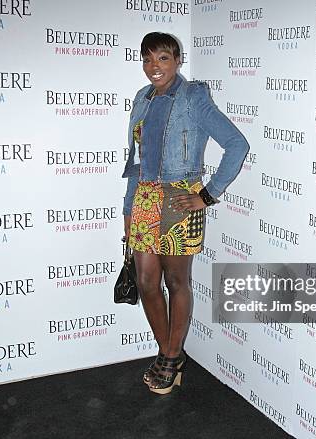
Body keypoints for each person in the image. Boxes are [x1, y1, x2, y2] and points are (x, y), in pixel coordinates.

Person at [122, 32, 250, 394]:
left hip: (180, 199)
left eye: (162, 58)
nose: (154, 67)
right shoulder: (141, 99)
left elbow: (236, 144)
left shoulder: (193, 96)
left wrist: (206, 196)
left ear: (178, 60)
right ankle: (170, 355)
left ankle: (170, 355)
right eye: (147, 59)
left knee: (177, 282)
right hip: (144, 199)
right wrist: (128, 212)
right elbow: (135, 162)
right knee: (147, 281)